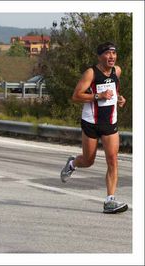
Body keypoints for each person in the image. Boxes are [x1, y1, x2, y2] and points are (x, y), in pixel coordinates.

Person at [60, 42, 128, 214]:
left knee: (112, 160)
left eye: (114, 53)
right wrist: (99, 96)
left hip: (110, 122)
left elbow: (113, 91)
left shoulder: (117, 71)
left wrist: (119, 99)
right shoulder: (91, 73)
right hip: (91, 122)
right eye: (107, 53)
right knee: (88, 160)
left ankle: (109, 200)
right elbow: (76, 96)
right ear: (100, 56)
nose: (112, 56)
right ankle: (73, 163)